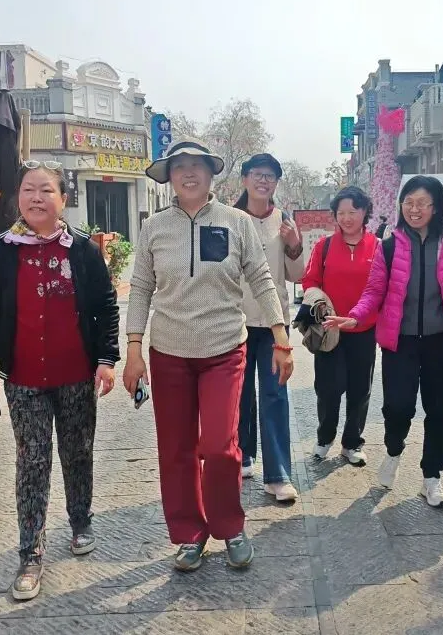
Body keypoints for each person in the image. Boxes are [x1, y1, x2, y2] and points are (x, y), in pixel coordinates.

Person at [123, 138, 294, 571]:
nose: (188, 172)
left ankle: (230, 525)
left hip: (223, 349)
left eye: (196, 164)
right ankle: (189, 534)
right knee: (176, 448)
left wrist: (280, 338)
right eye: (179, 166)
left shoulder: (237, 222)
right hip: (169, 353)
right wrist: (134, 350)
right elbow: (140, 288)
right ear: (169, 176)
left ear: (211, 173)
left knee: (219, 444)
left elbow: (262, 278)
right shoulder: (154, 228)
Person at [0, 160, 120, 601]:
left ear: (63, 199)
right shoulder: (4, 249)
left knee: (77, 452)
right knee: (32, 461)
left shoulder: (82, 250)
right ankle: (30, 553)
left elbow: (106, 306)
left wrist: (107, 360)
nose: (36, 198)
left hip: (76, 376)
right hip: (24, 379)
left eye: (46, 190)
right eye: (28, 190)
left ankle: (80, 521)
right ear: (18, 198)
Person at [325, 176, 443, 509]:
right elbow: (374, 291)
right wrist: (356, 316)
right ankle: (394, 451)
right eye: (408, 202)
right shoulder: (389, 246)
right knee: (398, 407)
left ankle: (432, 477)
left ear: (436, 207)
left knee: (438, 411)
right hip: (400, 343)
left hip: (440, 343)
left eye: (422, 203)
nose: (414, 209)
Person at [233, 153, 304, 502]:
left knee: (275, 393)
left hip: (275, 323)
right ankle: (241, 456)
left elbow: (297, 275)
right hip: (236, 320)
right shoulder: (229, 219)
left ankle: (277, 474)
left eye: (271, 177)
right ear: (245, 178)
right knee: (238, 393)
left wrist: (293, 245)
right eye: (258, 175)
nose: (264, 181)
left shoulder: (284, 221)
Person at [301, 186, 378, 466]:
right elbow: (310, 281)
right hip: (330, 331)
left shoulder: (378, 246)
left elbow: (381, 287)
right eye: (341, 213)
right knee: (328, 388)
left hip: (363, 330)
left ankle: (352, 443)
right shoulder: (324, 246)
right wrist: (320, 305)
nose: (346, 218)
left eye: (353, 212)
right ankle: (325, 438)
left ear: (364, 212)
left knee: (360, 389)